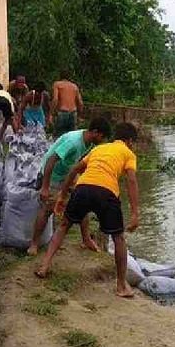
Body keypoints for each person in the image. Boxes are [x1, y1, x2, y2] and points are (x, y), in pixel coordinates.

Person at [36, 122, 140, 299]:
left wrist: (62, 195)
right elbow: (131, 181)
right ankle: (122, 285)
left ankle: (45, 265)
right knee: (118, 238)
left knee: (64, 225)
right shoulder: (128, 154)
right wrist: (135, 213)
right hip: (106, 192)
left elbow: (75, 169)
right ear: (129, 141)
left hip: (83, 188)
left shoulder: (98, 149)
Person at [27, 117, 112, 256]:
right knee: (47, 208)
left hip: (66, 173)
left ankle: (86, 239)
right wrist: (45, 186)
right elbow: (51, 160)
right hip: (52, 175)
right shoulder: (73, 142)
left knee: (83, 202)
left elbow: (79, 162)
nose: (102, 141)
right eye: (102, 137)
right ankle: (34, 244)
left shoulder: (89, 142)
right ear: (95, 132)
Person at [52, 71, 84, 137]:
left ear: (60, 77)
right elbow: (80, 102)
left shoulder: (57, 84)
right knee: (72, 137)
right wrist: (79, 116)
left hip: (62, 112)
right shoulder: (74, 86)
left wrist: (51, 113)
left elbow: (55, 99)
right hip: (73, 113)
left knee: (58, 137)